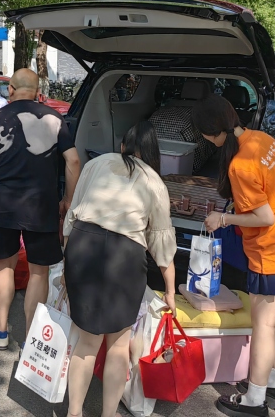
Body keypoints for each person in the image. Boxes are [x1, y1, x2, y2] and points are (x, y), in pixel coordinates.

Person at [192, 95, 275, 417]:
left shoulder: (240, 164)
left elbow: (263, 217)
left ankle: (254, 401)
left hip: (269, 252)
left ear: (210, 133)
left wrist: (223, 219)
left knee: (262, 326)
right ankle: (274, 386)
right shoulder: (262, 139)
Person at [64, 121, 177, 417]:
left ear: (123, 146)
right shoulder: (154, 181)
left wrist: (66, 259)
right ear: (153, 153)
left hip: (82, 245)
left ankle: (74, 413)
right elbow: (162, 243)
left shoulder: (97, 164)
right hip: (124, 255)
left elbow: (73, 213)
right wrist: (170, 290)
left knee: (87, 340)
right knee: (118, 343)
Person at [0, 68, 81, 350]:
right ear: (38, 90)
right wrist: (68, 199)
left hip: (3, 204)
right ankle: (32, 339)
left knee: (4, 266)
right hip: (41, 205)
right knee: (38, 271)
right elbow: (73, 162)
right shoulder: (55, 119)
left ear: (10, 89)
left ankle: (2, 331)